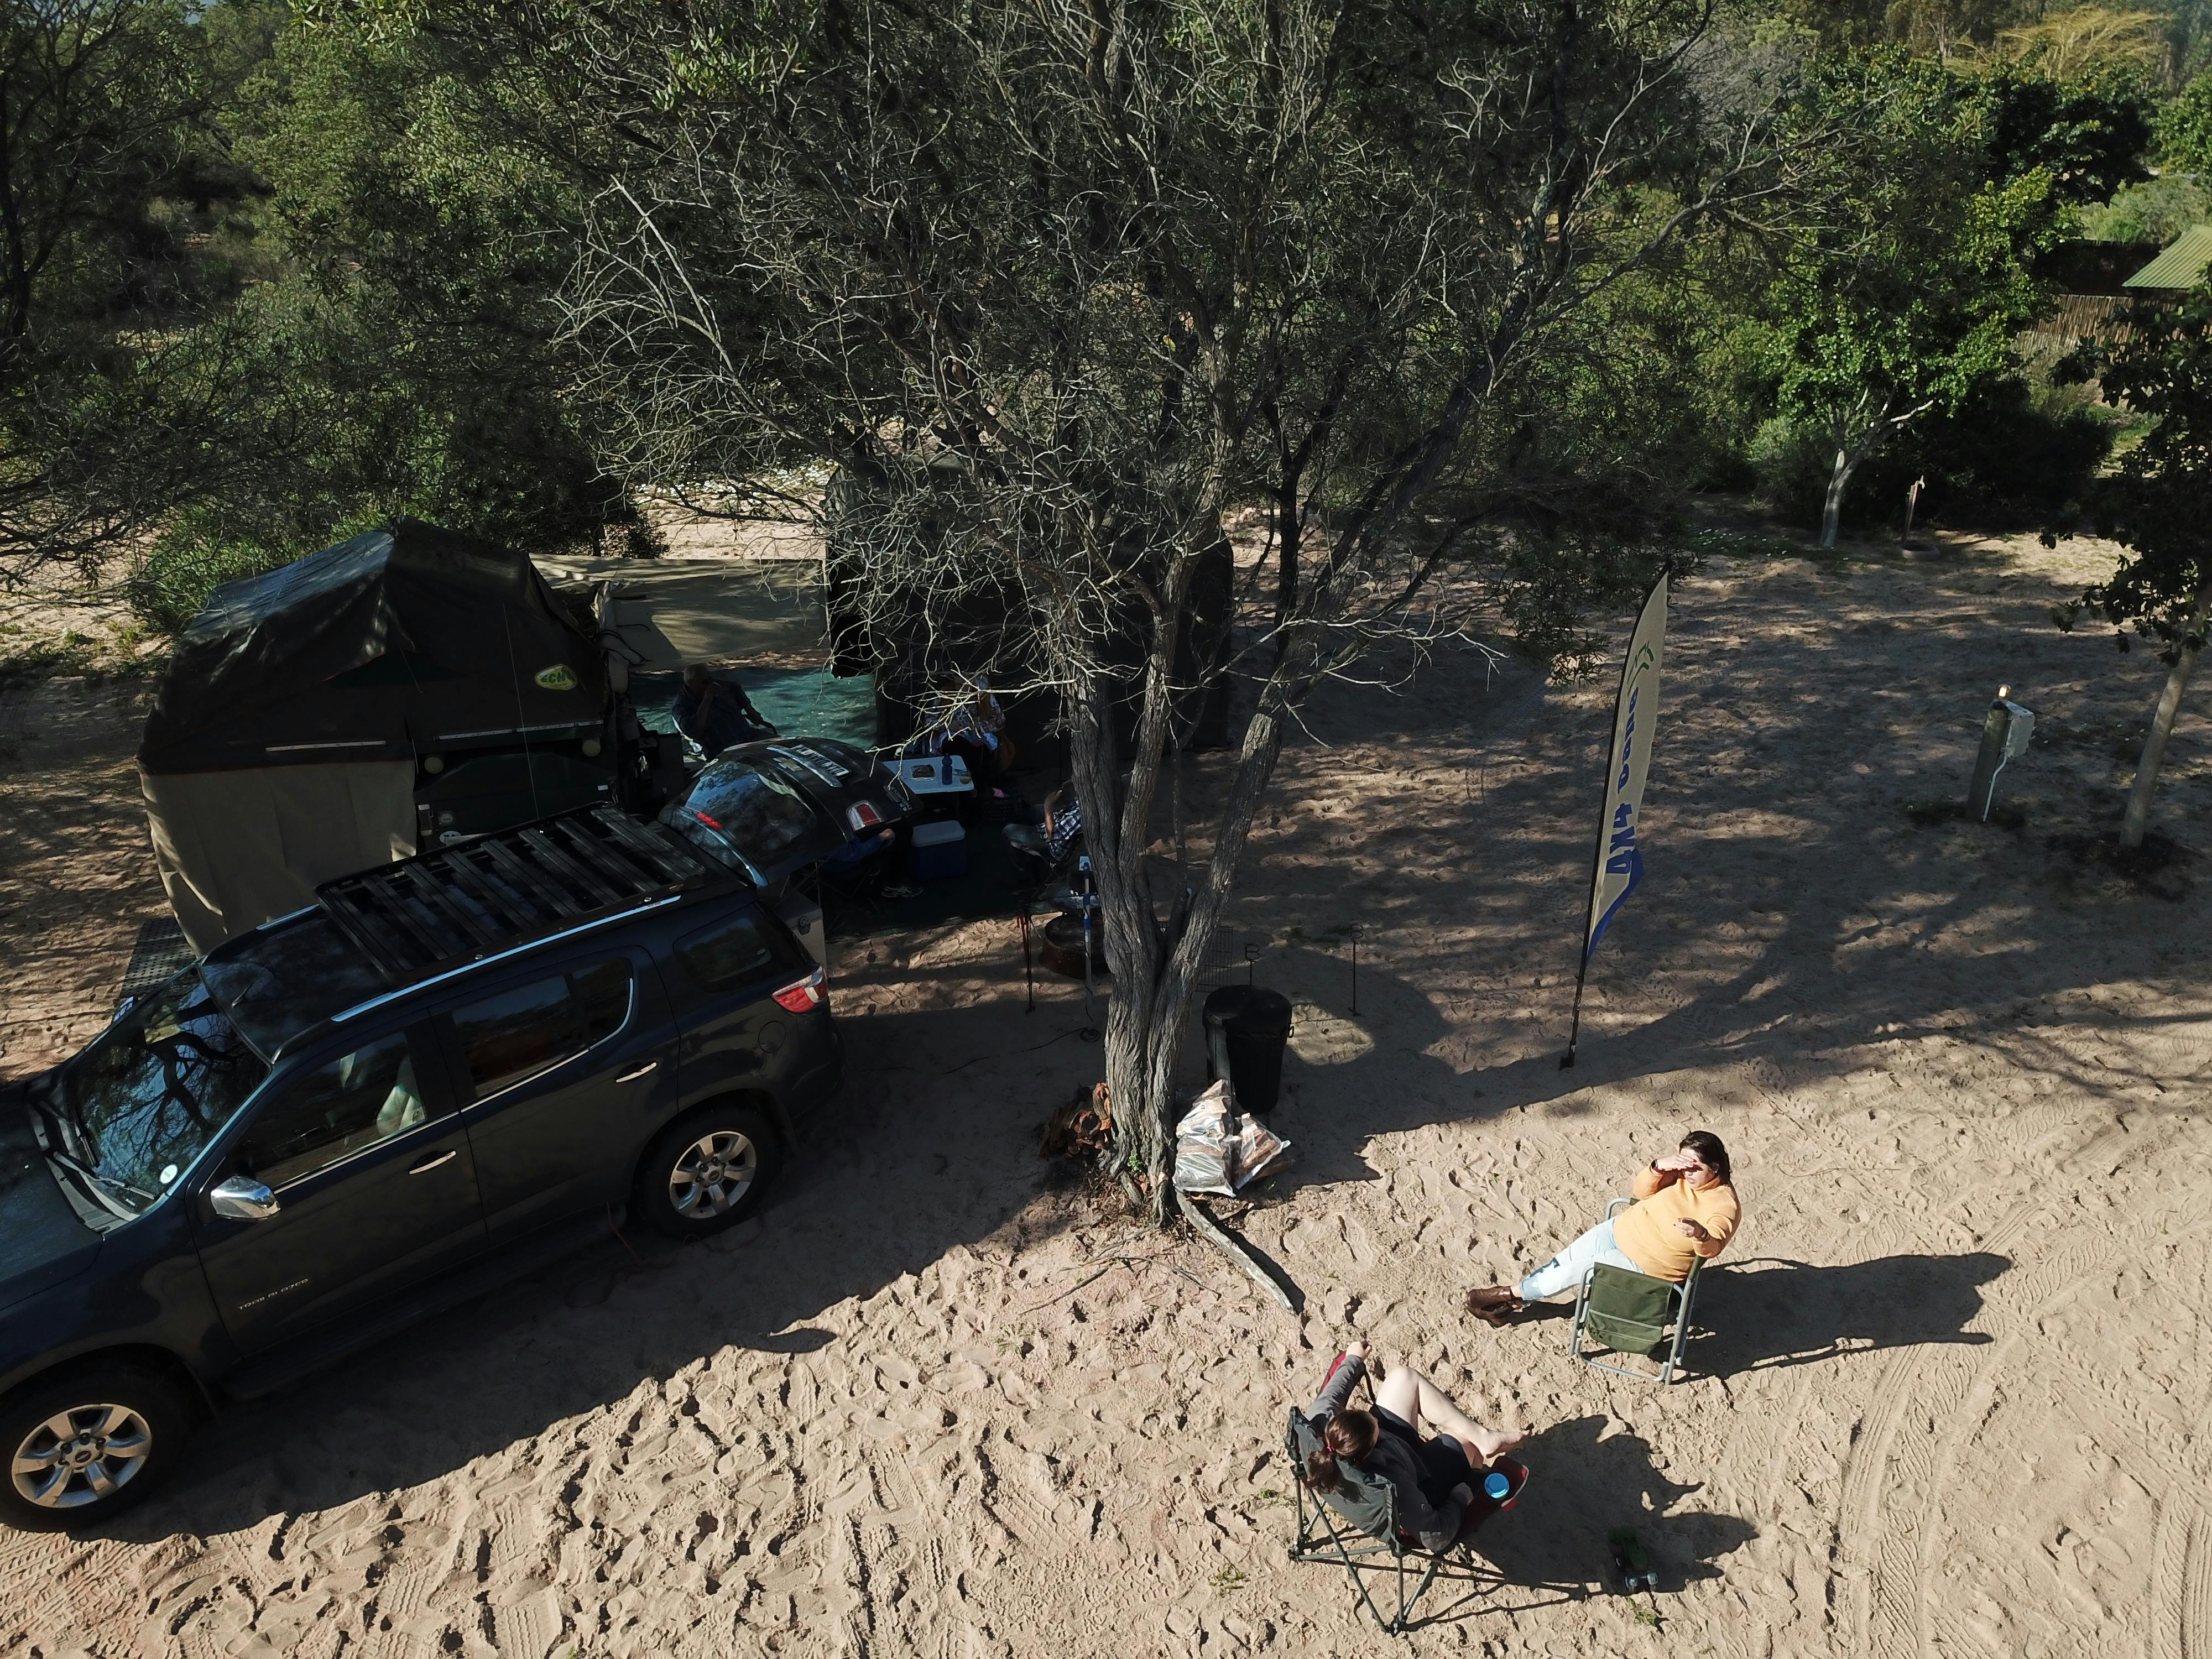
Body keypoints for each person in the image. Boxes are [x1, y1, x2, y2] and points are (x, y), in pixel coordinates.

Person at [1465, 1130, 1739, 1325]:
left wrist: (1700, 1233)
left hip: (1644, 1264)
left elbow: (1712, 1248)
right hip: (1619, 1230)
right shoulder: (1679, 1175)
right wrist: (1658, 1167)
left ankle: (1506, 1294)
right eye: (1682, 1163)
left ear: (1714, 1168)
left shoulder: (1724, 1204)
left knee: (1573, 1271)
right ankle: (1508, 1307)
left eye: (1694, 1167)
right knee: (1562, 1261)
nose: (1686, 1172)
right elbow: (1641, 1192)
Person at [1301, 1339, 1528, 1552]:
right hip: (1419, 1484)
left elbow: (1332, 1394)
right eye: (1375, 1424)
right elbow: (1436, 1537)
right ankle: (1476, 1465)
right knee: (1467, 1442)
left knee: (1403, 1378)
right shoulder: (1392, 1482)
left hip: (1394, 1450)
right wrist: (1462, 1493)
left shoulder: (1319, 1428)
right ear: (1371, 1446)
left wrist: (1354, 1358)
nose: (1376, 1418)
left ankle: (1484, 1437)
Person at [672, 665, 767, 756]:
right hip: (722, 751)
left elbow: (734, 687)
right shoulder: (681, 705)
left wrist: (750, 710)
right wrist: (707, 700)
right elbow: (693, 731)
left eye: (710, 679)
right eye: (704, 682)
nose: (709, 683)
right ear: (691, 683)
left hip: (749, 737)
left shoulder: (718, 686)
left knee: (776, 745)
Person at [1002, 784, 1082, 875]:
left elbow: (1051, 836)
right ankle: (1025, 843)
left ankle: (1023, 870)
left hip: (1052, 844)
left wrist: (1048, 806)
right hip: (1060, 823)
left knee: (1007, 830)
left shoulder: (1080, 816)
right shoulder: (1087, 802)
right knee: (1034, 811)